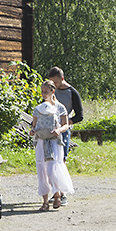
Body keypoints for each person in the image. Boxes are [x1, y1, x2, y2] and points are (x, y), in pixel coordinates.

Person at [31, 80, 74, 210]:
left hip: (54, 141)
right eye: (42, 92)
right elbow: (34, 125)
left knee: (53, 168)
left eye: (46, 92)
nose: (44, 94)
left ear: (52, 91)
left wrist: (59, 130)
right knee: (42, 169)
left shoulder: (60, 107)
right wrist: (33, 131)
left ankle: (57, 195)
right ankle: (44, 201)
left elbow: (66, 124)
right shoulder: (38, 109)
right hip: (42, 141)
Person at [48, 66, 82, 205]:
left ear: (62, 79)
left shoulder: (72, 92)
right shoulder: (50, 91)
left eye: (55, 82)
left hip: (64, 130)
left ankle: (63, 193)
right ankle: (56, 192)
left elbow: (80, 115)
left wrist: (66, 122)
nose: (53, 86)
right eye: (51, 83)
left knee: (62, 160)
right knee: (51, 161)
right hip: (50, 129)